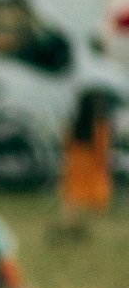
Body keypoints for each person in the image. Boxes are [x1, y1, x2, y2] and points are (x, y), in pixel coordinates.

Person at [57, 91, 114, 237]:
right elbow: (102, 149)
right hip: (93, 167)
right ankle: (94, 229)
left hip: (76, 165)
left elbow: (66, 144)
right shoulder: (100, 126)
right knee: (98, 196)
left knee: (72, 197)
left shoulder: (76, 124)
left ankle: (68, 225)